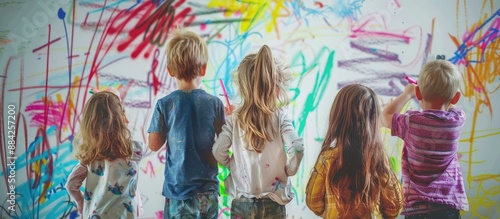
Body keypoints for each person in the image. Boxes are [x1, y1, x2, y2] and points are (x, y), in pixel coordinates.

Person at [212, 45, 304, 219]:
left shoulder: (235, 118)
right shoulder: (280, 116)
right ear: (274, 86)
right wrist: (290, 170)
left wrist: (231, 163)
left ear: (243, 87)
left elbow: (218, 151)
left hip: (242, 203)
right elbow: (297, 147)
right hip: (274, 202)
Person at [147, 28, 226, 219]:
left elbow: (153, 144)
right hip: (207, 190)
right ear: (203, 68)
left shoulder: (164, 105)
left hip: (177, 191)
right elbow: (225, 141)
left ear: (170, 71)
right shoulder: (215, 103)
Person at [382, 60, 469, 218]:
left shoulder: (411, 122)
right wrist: (446, 92)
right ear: (455, 97)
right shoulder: (457, 120)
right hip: (447, 207)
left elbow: (387, 114)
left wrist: (408, 93)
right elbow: (451, 105)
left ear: (419, 94)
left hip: (417, 208)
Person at [305, 84, 403, 218]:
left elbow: (314, 203)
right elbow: (394, 207)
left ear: (338, 119)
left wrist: (330, 213)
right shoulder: (378, 160)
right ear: (373, 121)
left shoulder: (327, 158)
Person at [66, 89, 148, 218]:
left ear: (89, 124)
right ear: (122, 120)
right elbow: (156, 145)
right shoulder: (134, 150)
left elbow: (71, 185)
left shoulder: (90, 155)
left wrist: (82, 205)